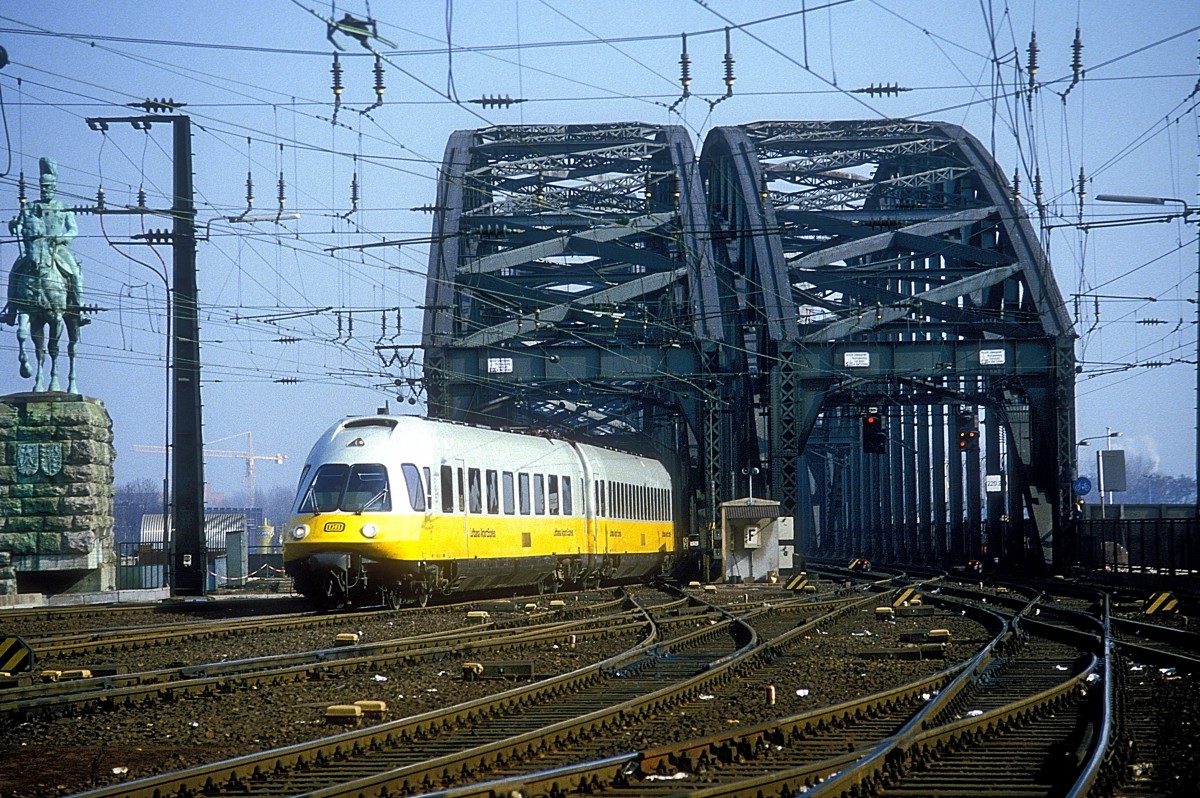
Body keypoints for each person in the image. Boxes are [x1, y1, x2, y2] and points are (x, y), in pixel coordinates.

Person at [3, 156, 86, 326]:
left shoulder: (63, 206)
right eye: (42, 187)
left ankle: (79, 309)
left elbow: (73, 230)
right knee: (15, 273)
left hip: (57, 248)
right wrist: (15, 227)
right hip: (35, 248)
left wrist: (62, 238)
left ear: (54, 188)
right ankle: (11, 310)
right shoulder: (31, 207)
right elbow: (21, 225)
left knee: (75, 275)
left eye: (48, 187)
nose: (45, 190)